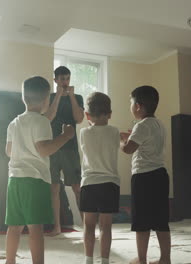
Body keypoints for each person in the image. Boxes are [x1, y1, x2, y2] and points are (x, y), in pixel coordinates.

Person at [5, 76, 75, 264]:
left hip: (15, 180)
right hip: (35, 181)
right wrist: (65, 136)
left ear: (23, 98)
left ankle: (10, 260)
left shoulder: (15, 122)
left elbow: (9, 151)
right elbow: (45, 149)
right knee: (36, 229)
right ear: (46, 100)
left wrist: (23, 147)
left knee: (14, 227)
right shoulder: (41, 123)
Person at [120, 85, 171, 264]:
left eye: (131, 103)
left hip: (143, 177)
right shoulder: (159, 124)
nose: (130, 107)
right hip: (160, 175)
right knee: (161, 220)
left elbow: (128, 149)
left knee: (141, 221)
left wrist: (123, 141)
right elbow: (146, 141)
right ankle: (166, 258)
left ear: (138, 106)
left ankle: (141, 259)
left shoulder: (141, 125)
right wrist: (132, 135)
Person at [79, 92, 121, 264]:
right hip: (110, 184)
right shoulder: (115, 132)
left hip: (89, 183)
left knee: (88, 226)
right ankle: (104, 261)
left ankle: (88, 259)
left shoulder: (84, 133)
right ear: (110, 114)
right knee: (106, 226)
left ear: (87, 115)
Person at [44, 66, 85, 236]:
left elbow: (79, 118)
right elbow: (48, 118)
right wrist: (59, 95)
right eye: (61, 79)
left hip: (70, 148)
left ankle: (87, 227)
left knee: (77, 187)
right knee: (54, 188)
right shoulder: (51, 97)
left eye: (67, 78)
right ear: (55, 80)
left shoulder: (78, 97)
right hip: (53, 146)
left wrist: (73, 97)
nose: (65, 82)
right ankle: (57, 227)